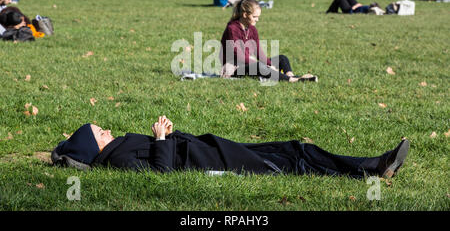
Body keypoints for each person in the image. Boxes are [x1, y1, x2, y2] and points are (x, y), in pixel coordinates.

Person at [51, 118, 410, 180]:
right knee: (291, 163)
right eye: (100, 131)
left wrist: (165, 135)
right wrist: (160, 138)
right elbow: (159, 173)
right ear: (94, 144)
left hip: (210, 147)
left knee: (293, 148)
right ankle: (370, 168)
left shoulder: (119, 147)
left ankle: (370, 165)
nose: (107, 129)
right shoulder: (117, 158)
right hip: (213, 159)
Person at [220, 0, 317, 82]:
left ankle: (290, 76)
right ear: (245, 15)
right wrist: (266, 66)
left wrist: (269, 64)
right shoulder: (232, 29)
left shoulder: (252, 29)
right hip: (233, 68)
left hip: (248, 63)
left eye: (258, 17)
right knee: (259, 66)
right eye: (254, 17)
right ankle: (293, 80)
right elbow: (240, 57)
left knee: (282, 58)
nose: (257, 19)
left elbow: (259, 52)